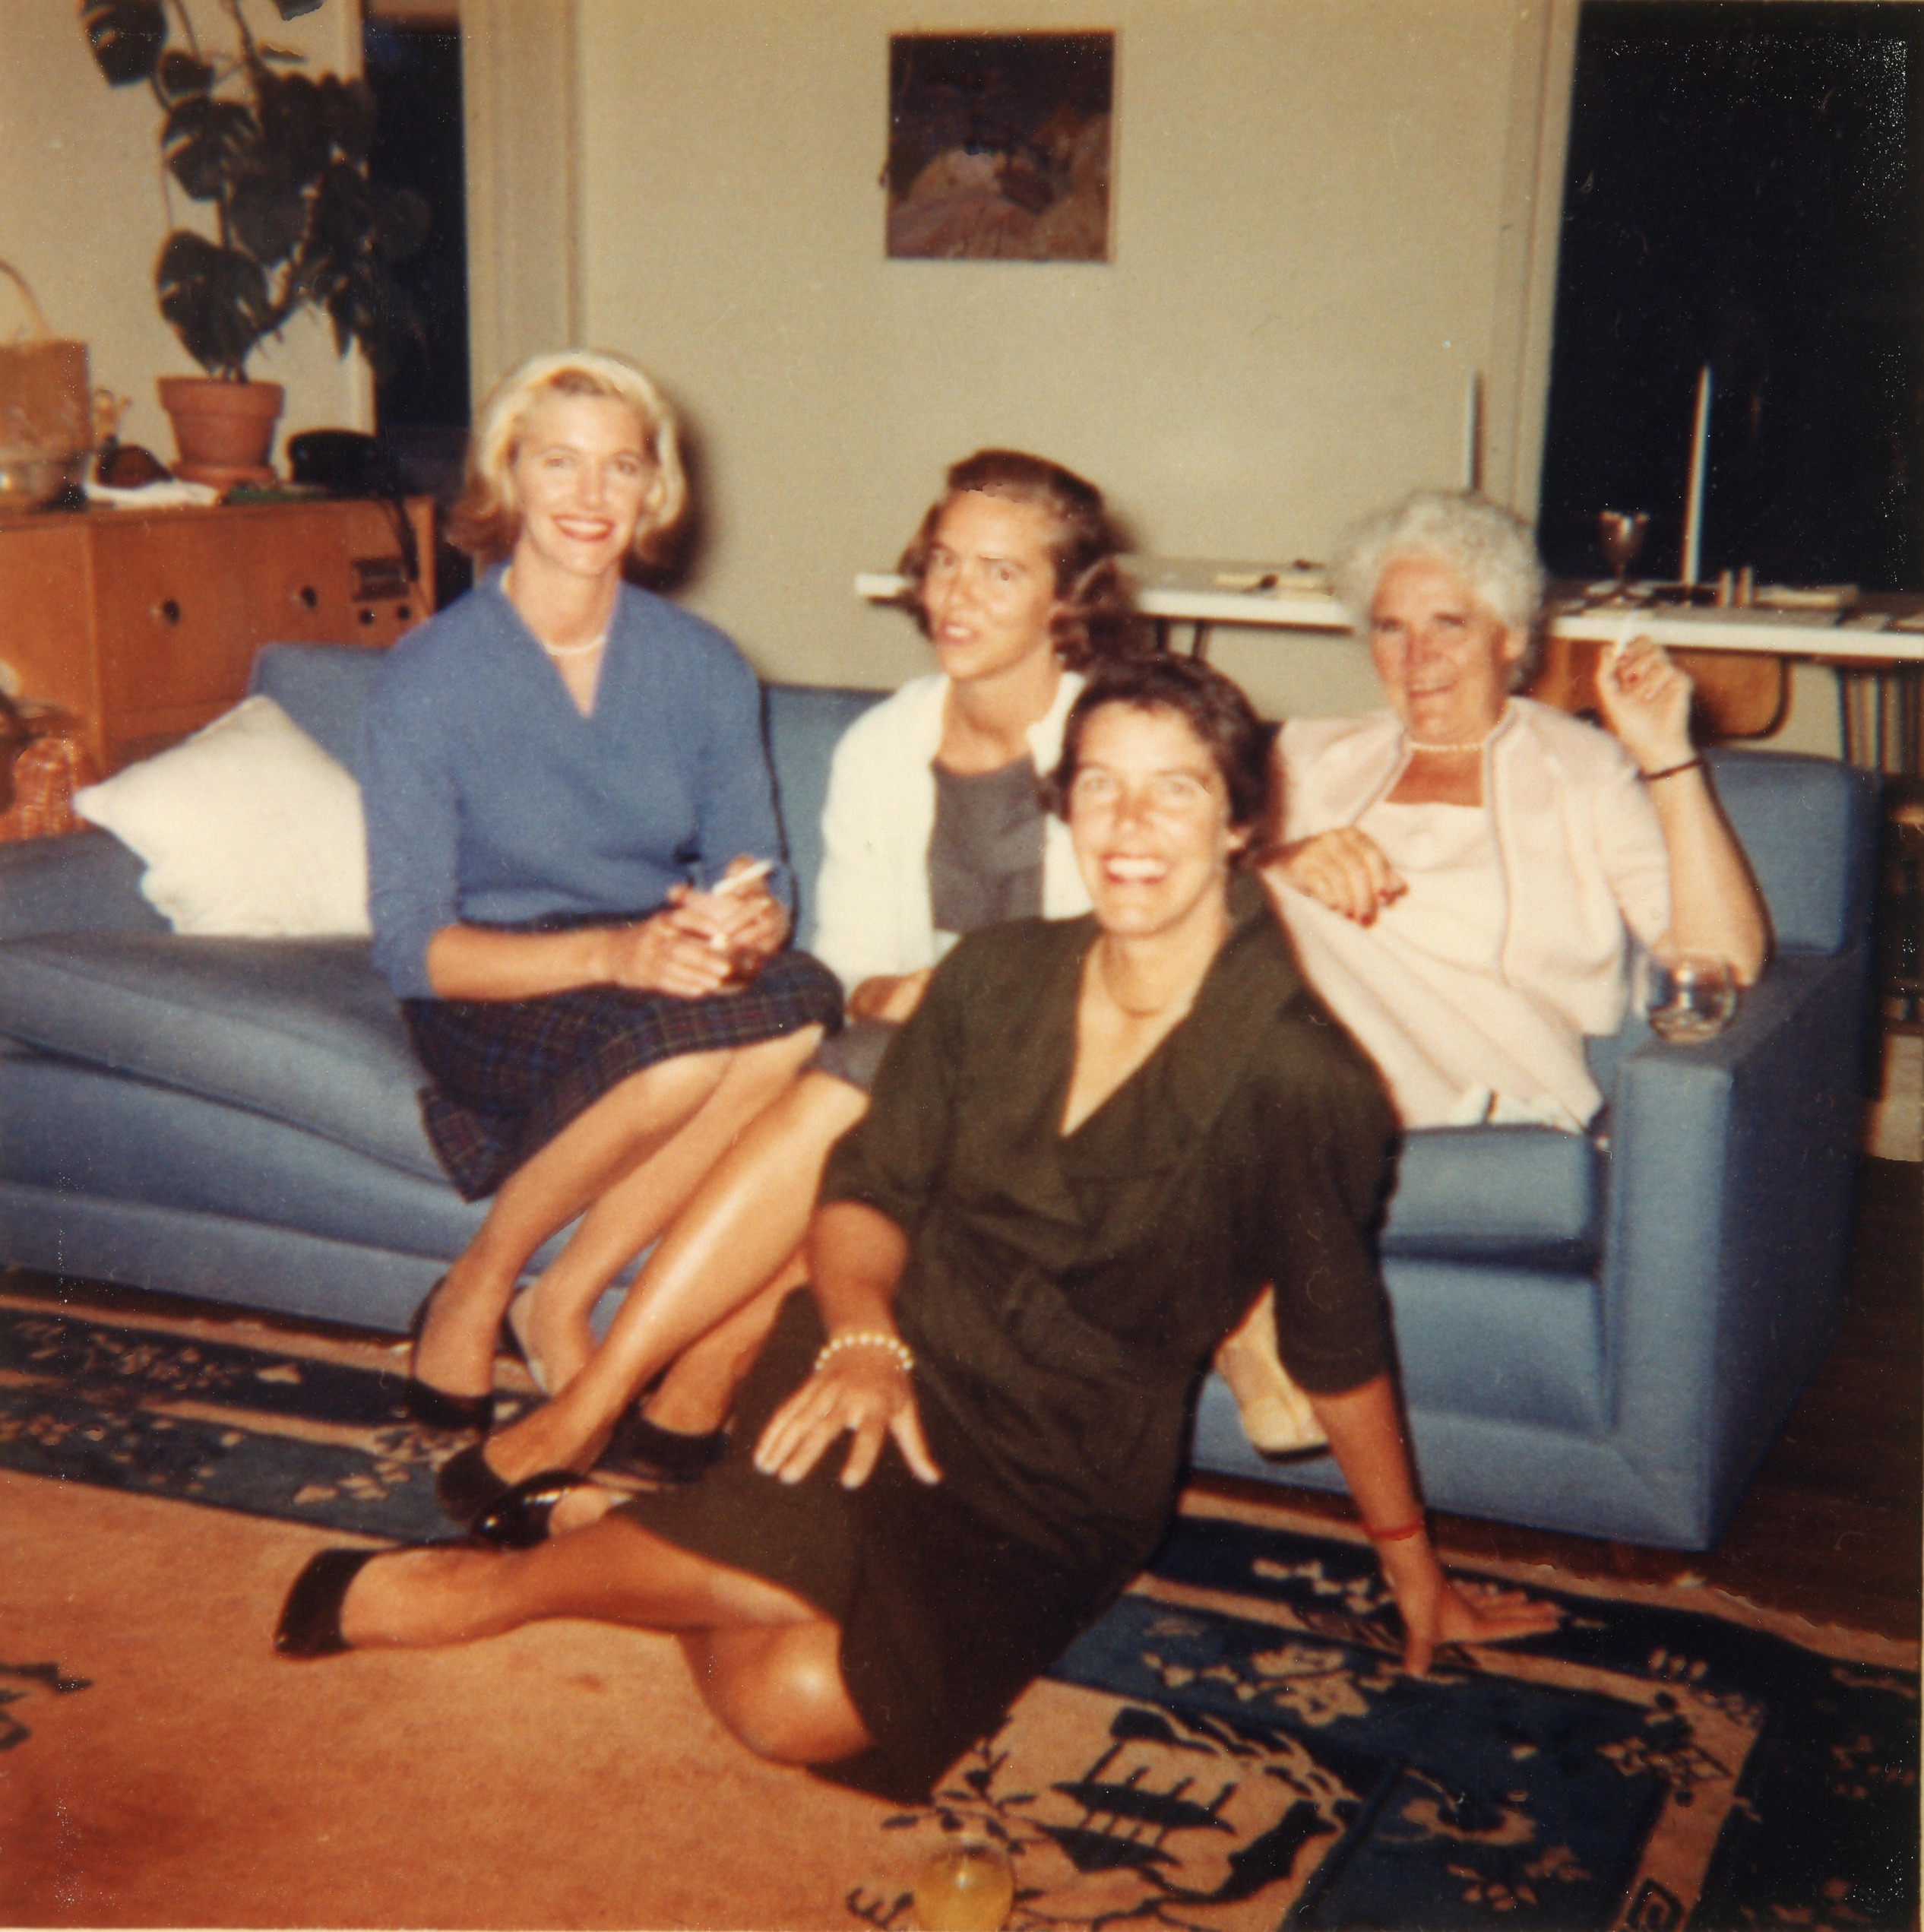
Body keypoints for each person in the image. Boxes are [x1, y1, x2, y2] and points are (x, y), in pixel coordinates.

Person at [277, 655, 1560, 1805]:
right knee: (794, 1561)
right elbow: (866, 1190)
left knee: (800, 1707)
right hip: (885, 1351)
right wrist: (859, 1335)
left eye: (1172, 791)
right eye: (1099, 785)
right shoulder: (996, 974)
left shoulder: (1304, 1080)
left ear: (1239, 822)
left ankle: (643, 1546)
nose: (1127, 824)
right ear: (1064, 807)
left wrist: (1411, 1566)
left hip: (1066, 1468)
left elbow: (1337, 1347)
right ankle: (493, 1588)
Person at [451, 450, 1143, 1524]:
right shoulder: (883, 744)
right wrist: (899, 998)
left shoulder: (1125, 737)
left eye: (1000, 574)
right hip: (922, 1056)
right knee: (850, 1061)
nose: (954, 598)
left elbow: (1142, 956)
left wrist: (968, 995)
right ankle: (690, 1395)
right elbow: (858, 966)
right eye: (944, 563)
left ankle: (595, 1400)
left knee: (851, 1086)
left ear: (1069, 599)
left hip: (1090, 1070)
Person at [361, 350, 843, 1530]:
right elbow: (414, 949)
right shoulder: (427, 677)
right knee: (688, 1049)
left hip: (649, 959)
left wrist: (738, 923)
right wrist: (619, 954)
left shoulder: (702, 665)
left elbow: (749, 867)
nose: (589, 493)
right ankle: (483, 1282)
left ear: (654, 490)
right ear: (507, 477)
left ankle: (556, 1298)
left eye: (621, 465)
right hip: (497, 975)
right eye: (558, 459)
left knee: (806, 1011)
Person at [1214, 489, 1768, 1449]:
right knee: (1215, 903)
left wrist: (1666, 755)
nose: (1415, 656)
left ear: (1510, 636)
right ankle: (1237, 1305)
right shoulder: (1306, 754)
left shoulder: (1581, 772)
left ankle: (1242, 1305)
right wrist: (1274, 857)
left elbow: (1722, 957)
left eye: (1447, 625)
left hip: (1486, 1083)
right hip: (1297, 1069)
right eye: (1389, 627)